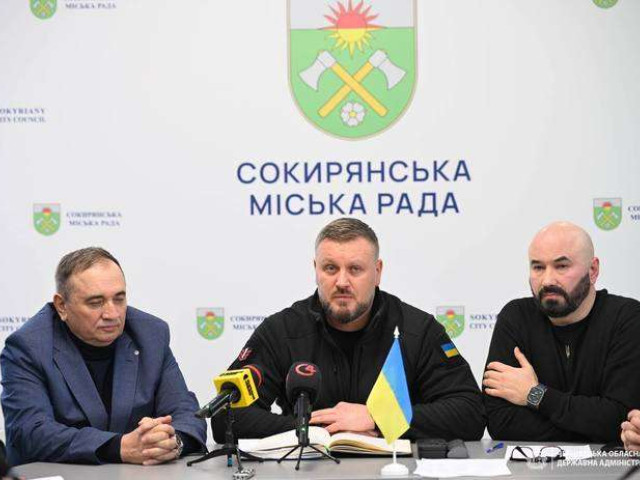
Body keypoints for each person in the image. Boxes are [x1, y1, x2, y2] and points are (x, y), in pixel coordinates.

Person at [213, 218, 485, 442]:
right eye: (330, 268)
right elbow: (225, 416)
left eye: (355, 269)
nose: (342, 281)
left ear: (377, 272)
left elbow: (470, 413)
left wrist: (379, 419)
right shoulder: (281, 330)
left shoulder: (418, 330)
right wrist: (314, 430)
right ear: (316, 269)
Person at [0, 247, 206, 465]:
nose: (112, 314)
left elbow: (186, 412)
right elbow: (30, 432)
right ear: (62, 306)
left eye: (119, 299)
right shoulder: (28, 347)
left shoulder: (150, 334)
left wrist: (171, 442)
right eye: (95, 302)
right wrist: (119, 447)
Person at [483, 221, 640, 442]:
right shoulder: (515, 318)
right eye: (538, 267)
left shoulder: (627, 318)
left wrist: (535, 394)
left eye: (562, 266)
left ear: (592, 270)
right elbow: (500, 421)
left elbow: (620, 418)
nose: (548, 280)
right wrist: (589, 426)